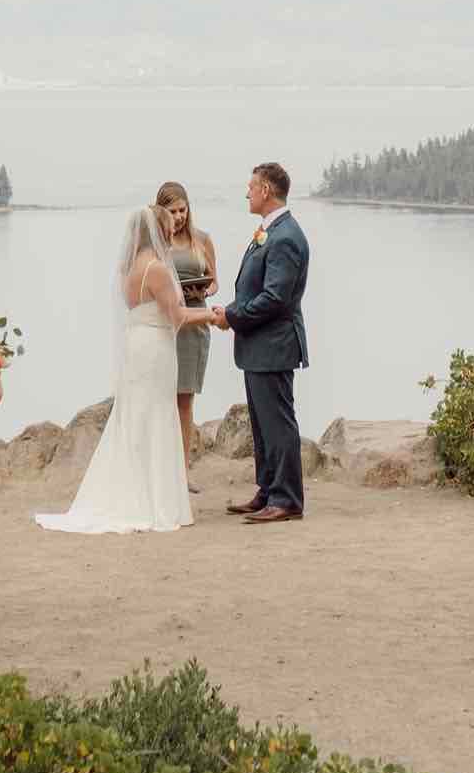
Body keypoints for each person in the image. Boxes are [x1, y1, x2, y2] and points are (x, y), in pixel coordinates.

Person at [35, 203, 217, 535]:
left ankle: (135, 491)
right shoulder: (158, 270)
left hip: (137, 346)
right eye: (168, 226)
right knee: (158, 416)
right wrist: (216, 316)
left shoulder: (129, 268)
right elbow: (178, 316)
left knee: (136, 418)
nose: (172, 230)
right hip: (156, 348)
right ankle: (156, 501)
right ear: (158, 231)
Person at [211, 163, 309, 525]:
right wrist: (232, 311)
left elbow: (274, 299)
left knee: (278, 423)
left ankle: (287, 499)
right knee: (262, 423)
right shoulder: (272, 231)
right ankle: (268, 491)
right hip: (259, 345)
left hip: (275, 345)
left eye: (251, 187)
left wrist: (232, 318)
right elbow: (259, 291)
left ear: (266, 190)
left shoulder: (285, 237)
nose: (247, 193)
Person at [155, 180, 217, 490]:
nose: (179, 216)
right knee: (161, 397)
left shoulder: (202, 240)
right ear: (161, 211)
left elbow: (216, 281)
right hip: (167, 324)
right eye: (173, 210)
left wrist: (205, 287)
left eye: (183, 209)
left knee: (185, 401)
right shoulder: (156, 244)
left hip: (196, 324)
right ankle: (159, 468)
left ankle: (182, 471)